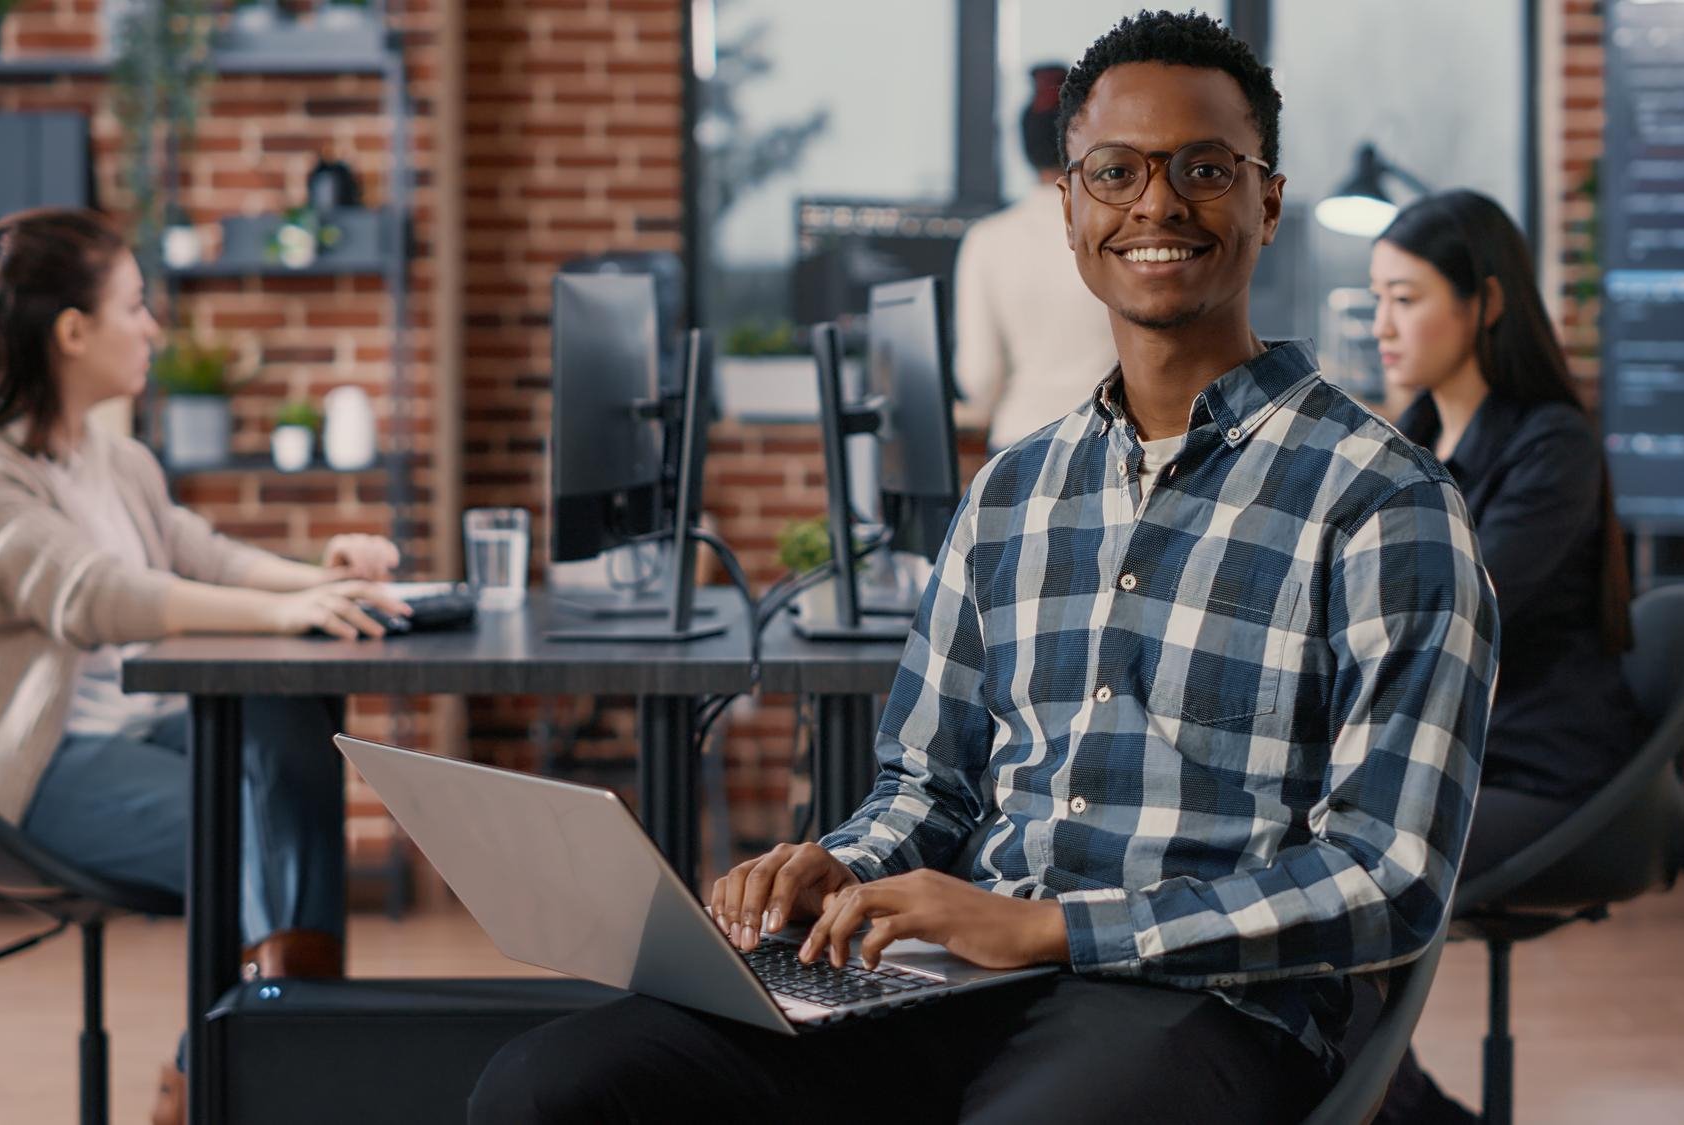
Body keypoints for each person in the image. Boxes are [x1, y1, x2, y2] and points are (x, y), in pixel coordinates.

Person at [470, 13, 1498, 1123]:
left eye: (1203, 169)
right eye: (1115, 171)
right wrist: (842, 864)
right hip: (948, 977)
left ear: (1266, 199)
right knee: (552, 1086)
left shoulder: (1383, 501)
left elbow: (1385, 879)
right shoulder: (1013, 491)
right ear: (1070, 207)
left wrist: (1052, 929)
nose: (1156, 203)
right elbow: (930, 786)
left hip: (1205, 1004)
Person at [0, 208, 411, 1124]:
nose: (153, 328)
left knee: (295, 716)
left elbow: (204, 553)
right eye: (135, 306)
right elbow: (98, 592)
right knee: (254, 844)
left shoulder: (111, 457)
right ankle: (239, 1075)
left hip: (131, 731)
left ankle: (251, 1068)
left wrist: (319, 582)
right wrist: (280, 609)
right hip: (27, 772)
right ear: (72, 331)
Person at [1367, 190, 1643, 1124]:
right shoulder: (1409, 444)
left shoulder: (1549, 443)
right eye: (1377, 301)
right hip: (1452, 762)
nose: (1383, 326)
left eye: (1406, 298)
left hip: (1540, 768)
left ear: (1485, 303)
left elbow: (1453, 613)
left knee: (1340, 884)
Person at [953, 63, 1119, 453]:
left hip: (1019, 445)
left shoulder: (988, 241)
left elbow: (979, 378)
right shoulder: (1123, 230)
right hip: (1110, 443)